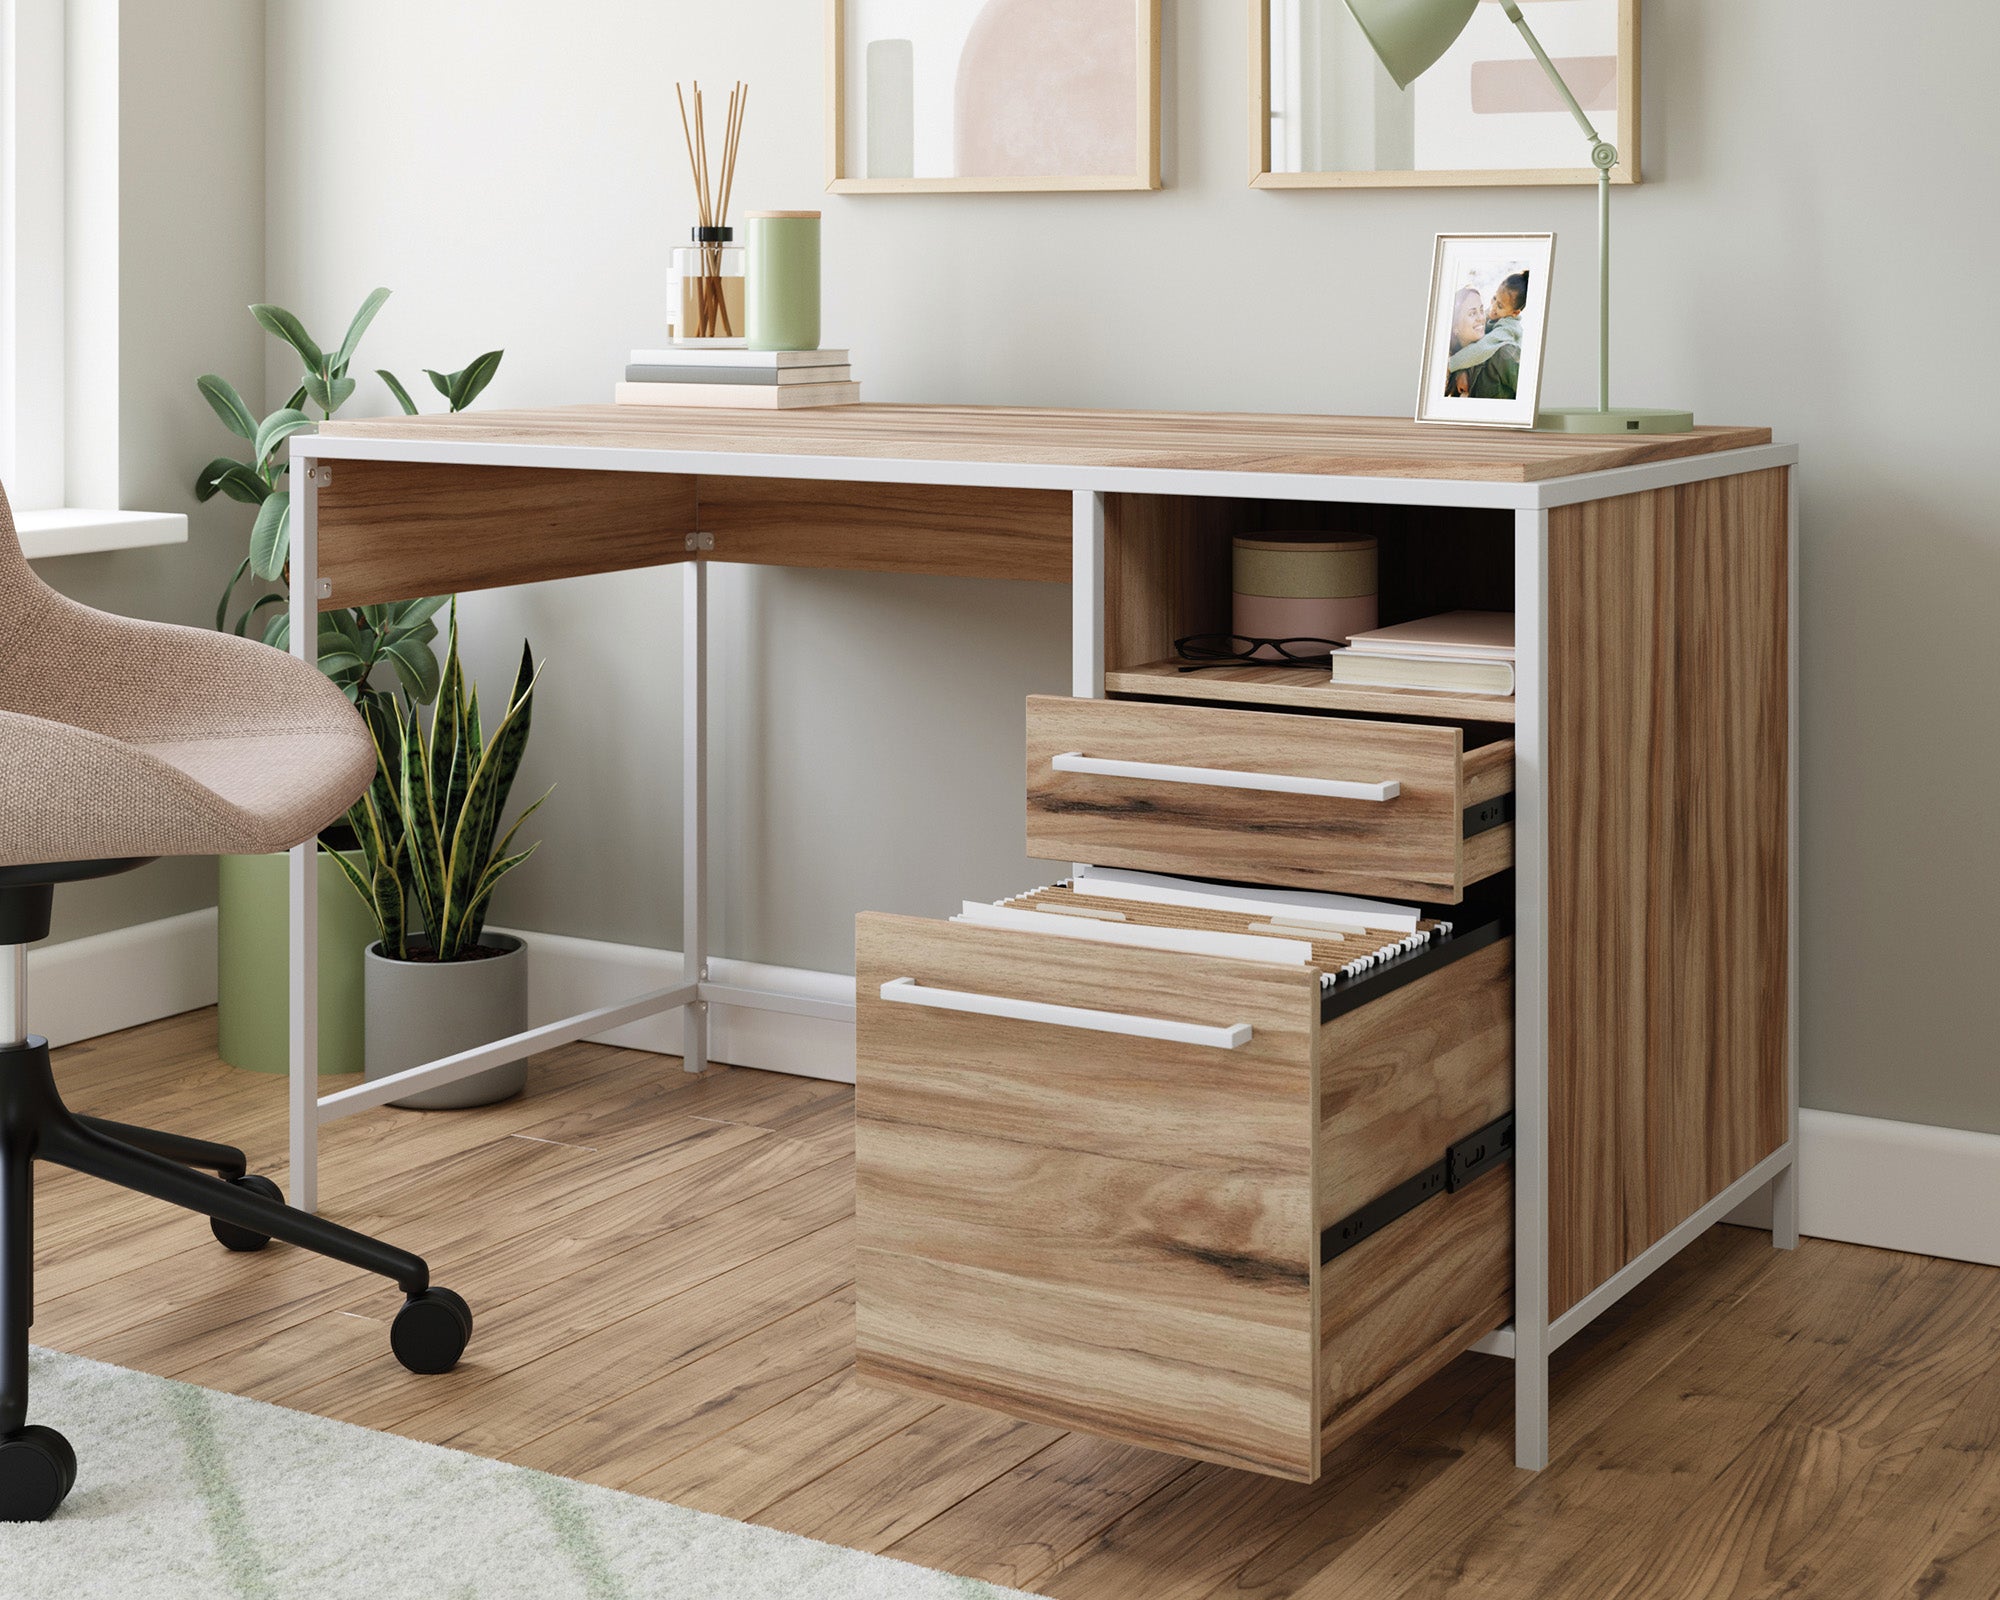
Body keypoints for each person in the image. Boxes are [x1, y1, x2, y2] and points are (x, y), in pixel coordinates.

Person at [1444, 271, 1528, 401]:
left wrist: (1451, 365)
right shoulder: (1497, 315)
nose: (1493, 307)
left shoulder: (1508, 331)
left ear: (1515, 312)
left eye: (1499, 305)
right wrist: (1462, 370)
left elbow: (1482, 348)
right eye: (1494, 298)